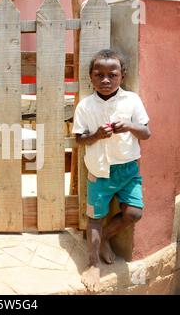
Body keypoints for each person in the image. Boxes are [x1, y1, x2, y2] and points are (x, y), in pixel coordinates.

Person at [72, 49, 151, 292]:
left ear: (122, 76)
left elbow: (146, 133)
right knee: (94, 218)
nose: (106, 80)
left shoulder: (132, 101)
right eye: (99, 75)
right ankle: (93, 264)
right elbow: (79, 139)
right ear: (91, 77)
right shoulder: (85, 106)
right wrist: (95, 135)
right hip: (99, 171)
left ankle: (105, 237)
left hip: (128, 170)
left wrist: (129, 126)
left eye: (112, 75)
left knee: (134, 214)